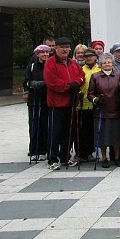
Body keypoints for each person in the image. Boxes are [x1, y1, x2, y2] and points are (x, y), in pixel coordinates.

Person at [43, 37, 85, 170]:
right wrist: (68, 86)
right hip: (56, 103)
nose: (65, 49)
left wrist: (77, 83)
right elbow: (51, 82)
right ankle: (52, 159)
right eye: (62, 47)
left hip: (71, 103)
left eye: (67, 47)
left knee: (69, 133)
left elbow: (82, 75)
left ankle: (65, 157)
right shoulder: (50, 63)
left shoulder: (73, 63)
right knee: (55, 132)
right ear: (56, 48)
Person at [88, 53, 120, 167]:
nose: (107, 64)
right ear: (100, 65)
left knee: (116, 136)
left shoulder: (118, 75)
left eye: (109, 62)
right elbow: (90, 94)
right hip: (102, 110)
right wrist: (96, 100)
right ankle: (104, 157)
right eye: (104, 63)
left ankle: (118, 157)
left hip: (116, 109)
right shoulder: (95, 76)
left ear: (113, 63)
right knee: (103, 136)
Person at [24, 44, 51, 161]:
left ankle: (43, 150)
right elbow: (26, 82)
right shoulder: (32, 66)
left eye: (46, 52)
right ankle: (34, 149)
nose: (45, 54)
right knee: (34, 124)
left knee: (45, 125)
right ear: (37, 54)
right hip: (34, 99)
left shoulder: (50, 65)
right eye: (42, 52)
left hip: (47, 99)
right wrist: (32, 84)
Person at [78, 48, 100, 163]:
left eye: (91, 56)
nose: (89, 58)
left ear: (95, 57)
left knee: (93, 129)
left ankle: (91, 151)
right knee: (83, 130)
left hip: (95, 104)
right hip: (83, 104)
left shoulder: (99, 69)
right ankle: (82, 153)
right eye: (86, 56)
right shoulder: (81, 69)